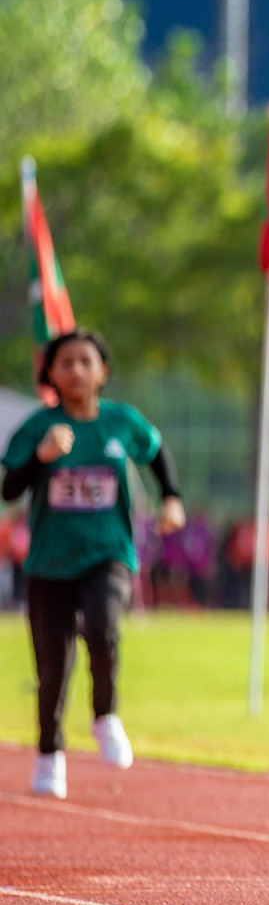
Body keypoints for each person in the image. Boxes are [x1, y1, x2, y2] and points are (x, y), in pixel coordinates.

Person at [1, 330, 184, 799]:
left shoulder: (121, 423)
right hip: (50, 561)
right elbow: (10, 488)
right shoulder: (39, 427)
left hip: (109, 553)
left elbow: (157, 452)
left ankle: (105, 714)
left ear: (103, 371)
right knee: (53, 666)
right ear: (51, 374)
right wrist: (42, 458)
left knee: (103, 627)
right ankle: (49, 752)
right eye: (66, 363)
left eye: (86, 362)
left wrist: (172, 499)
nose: (76, 371)